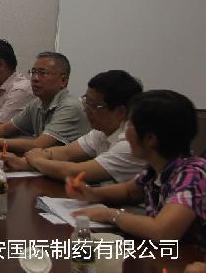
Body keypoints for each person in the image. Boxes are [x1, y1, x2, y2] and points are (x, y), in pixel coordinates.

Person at [70, 90, 206, 250]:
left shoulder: (191, 175)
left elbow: (163, 232)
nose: (124, 133)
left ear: (150, 139)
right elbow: (130, 192)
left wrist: (111, 215)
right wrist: (93, 194)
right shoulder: (156, 167)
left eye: (129, 125)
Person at [0, 69, 144, 183]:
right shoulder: (102, 131)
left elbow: (75, 172)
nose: (86, 110)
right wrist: (21, 162)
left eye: (94, 106)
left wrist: (37, 160)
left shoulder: (129, 144)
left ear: (120, 112)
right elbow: (66, 153)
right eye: (86, 101)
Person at [0, 51, 89, 154]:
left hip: (77, 175)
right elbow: (6, 128)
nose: (35, 78)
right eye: (33, 72)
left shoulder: (69, 106)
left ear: (63, 80)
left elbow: (37, 145)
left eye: (42, 73)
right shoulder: (37, 103)